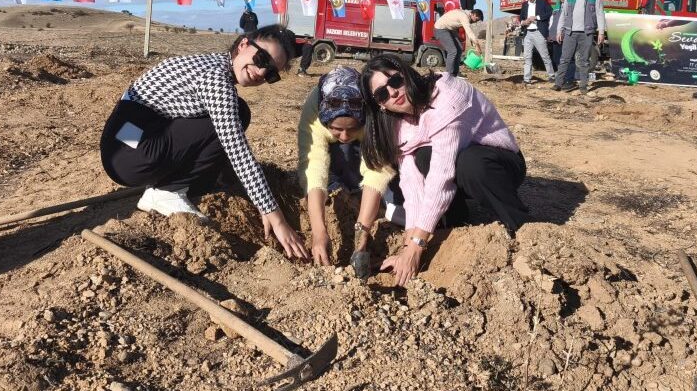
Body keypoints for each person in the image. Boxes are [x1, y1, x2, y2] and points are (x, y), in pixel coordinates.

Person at [99, 24, 309, 259]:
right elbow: (236, 149)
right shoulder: (215, 78)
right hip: (126, 150)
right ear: (243, 45)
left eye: (271, 72)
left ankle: (190, 183)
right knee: (232, 118)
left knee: (237, 111)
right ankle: (165, 192)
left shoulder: (215, 64)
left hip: (129, 137)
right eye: (261, 58)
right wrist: (275, 217)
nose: (261, 72)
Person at [360, 54, 529, 286]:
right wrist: (408, 244)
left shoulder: (447, 96)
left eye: (395, 82)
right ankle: (455, 226)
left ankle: (521, 227)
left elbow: (442, 174)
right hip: (458, 164)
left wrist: (418, 244)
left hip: (500, 164)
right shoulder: (397, 122)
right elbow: (411, 183)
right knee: (423, 158)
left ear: (407, 74)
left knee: (472, 165)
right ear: (380, 104)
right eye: (382, 94)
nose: (393, 93)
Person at [296, 66, 396, 267]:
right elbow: (314, 167)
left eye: (351, 129)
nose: (344, 136)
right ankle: (343, 194)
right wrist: (319, 233)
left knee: (391, 191)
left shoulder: (373, 110)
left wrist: (362, 234)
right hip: (334, 159)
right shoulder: (314, 112)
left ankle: (366, 203)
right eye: (336, 129)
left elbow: (377, 170)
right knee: (339, 153)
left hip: (370, 149)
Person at [553, 0, 606, 93]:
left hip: (586, 33)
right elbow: (564, 14)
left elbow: (600, 14)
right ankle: (558, 83)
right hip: (570, 32)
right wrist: (559, 30)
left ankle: (583, 86)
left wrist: (601, 32)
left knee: (584, 61)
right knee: (564, 59)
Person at [519, 0, 555, 85]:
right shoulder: (524, 4)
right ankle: (527, 79)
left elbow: (550, 12)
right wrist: (524, 22)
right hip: (528, 33)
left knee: (545, 56)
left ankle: (551, 76)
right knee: (527, 57)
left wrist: (537, 17)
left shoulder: (543, 2)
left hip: (539, 32)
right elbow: (521, 17)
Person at [433, 8, 484, 76]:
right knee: (453, 51)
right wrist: (477, 46)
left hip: (449, 29)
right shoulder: (464, 16)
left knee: (459, 48)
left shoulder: (466, 14)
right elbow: (469, 31)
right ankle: (449, 75)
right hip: (440, 29)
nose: (476, 22)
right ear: (473, 14)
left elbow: (468, 32)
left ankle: (455, 72)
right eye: (476, 19)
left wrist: (474, 44)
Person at [548, 0, 576, 85]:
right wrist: (550, 33)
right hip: (555, 36)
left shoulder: (573, 4)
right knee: (556, 58)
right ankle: (561, 78)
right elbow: (553, 20)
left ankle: (569, 80)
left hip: (567, 36)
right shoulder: (557, 4)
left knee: (568, 59)